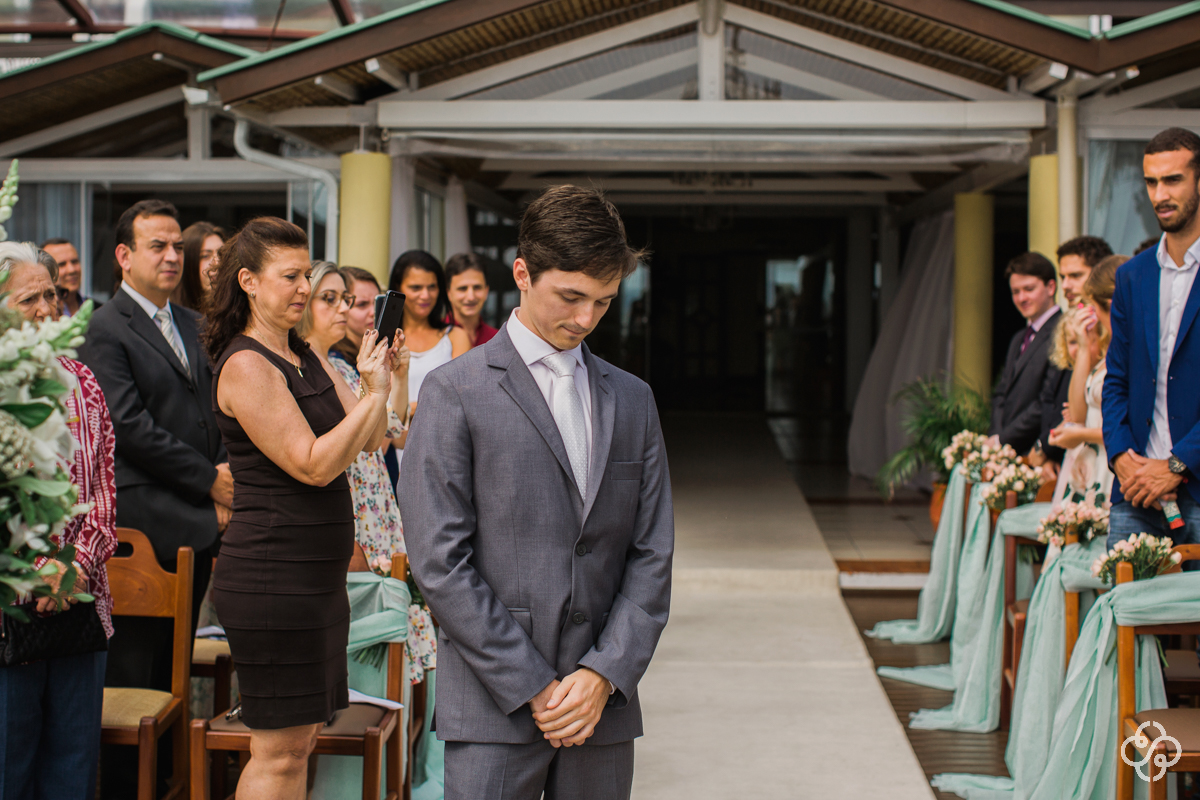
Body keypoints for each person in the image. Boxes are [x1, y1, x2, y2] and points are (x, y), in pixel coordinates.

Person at [399, 185, 674, 800]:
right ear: (522, 273)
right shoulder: (454, 392)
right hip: (496, 708)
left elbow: (653, 552)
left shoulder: (633, 399)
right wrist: (534, 684)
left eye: (603, 302)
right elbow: (440, 561)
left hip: (600, 710)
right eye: (571, 297)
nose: (585, 319)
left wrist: (604, 672)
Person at [204, 217, 400, 799]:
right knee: (279, 752)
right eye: (290, 277)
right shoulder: (246, 364)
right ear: (248, 281)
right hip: (273, 578)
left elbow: (367, 440)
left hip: (315, 581)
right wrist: (376, 394)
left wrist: (376, 388)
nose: (303, 290)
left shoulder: (300, 353)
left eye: (305, 276)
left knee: (302, 742)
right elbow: (314, 463)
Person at [76, 200, 230, 798]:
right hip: (141, 532)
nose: (172, 257)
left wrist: (222, 476)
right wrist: (208, 481)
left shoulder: (193, 323)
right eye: (157, 246)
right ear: (124, 256)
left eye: (176, 246)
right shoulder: (104, 325)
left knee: (174, 676)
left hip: (197, 525)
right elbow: (127, 425)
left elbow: (211, 411)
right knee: (133, 676)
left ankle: (167, 783)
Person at [0, 243, 117, 800]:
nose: (49, 307)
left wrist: (73, 562)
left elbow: (102, 491)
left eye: (52, 294)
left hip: (75, 601)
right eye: (30, 299)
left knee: (72, 770)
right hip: (7, 608)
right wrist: (30, 569)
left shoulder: (81, 380)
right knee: (7, 770)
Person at [1104, 127, 1200, 553]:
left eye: (1173, 180)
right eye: (1151, 181)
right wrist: (1120, 456)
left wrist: (1178, 465)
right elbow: (1116, 379)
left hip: (1196, 489)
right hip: (1134, 493)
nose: (1160, 194)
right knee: (1126, 616)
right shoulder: (1132, 275)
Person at [299, 261, 410, 567]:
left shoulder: (343, 366)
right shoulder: (298, 366)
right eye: (329, 298)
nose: (343, 309)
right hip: (347, 499)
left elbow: (376, 433)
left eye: (345, 299)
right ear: (304, 301)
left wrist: (384, 376)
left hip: (372, 491)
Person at [1048, 256, 1124, 506]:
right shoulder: (1105, 352)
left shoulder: (1129, 351)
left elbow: (1132, 425)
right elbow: (1079, 412)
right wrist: (1082, 347)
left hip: (1112, 462)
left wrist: (1081, 434)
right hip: (1092, 461)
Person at [1034, 236, 1113, 472]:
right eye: (1063, 277)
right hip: (1076, 455)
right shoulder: (1074, 325)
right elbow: (1054, 401)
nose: (1066, 285)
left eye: (1075, 276)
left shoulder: (1117, 337)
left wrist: (1048, 448)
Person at [990, 252, 1062, 455]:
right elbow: (1001, 394)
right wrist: (996, 437)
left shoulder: (1063, 331)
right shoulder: (1018, 338)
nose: (1022, 298)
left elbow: (1047, 399)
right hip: (1006, 451)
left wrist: (1003, 439)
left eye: (1029, 289)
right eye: (1015, 292)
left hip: (1037, 452)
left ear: (1050, 287)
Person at [388, 250, 470, 406]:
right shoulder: (385, 339)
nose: (425, 295)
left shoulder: (455, 336)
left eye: (432, 287)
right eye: (416, 287)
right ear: (398, 288)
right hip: (394, 431)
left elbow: (463, 397)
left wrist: (407, 409)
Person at [445, 252, 498, 348]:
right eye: (462, 288)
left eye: (477, 287)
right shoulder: (434, 338)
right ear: (448, 293)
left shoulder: (496, 339)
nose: (471, 297)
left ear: (486, 291)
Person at [174, 221, 225, 312]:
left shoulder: (237, 314)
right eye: (205, 256)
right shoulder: (172, 317)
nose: (217, 263)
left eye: (222, 254)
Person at [41, 237, 91, 318]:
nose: (71, 270)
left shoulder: (99, 310)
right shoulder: (42, 315)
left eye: (74, 262)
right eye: (62, 264)